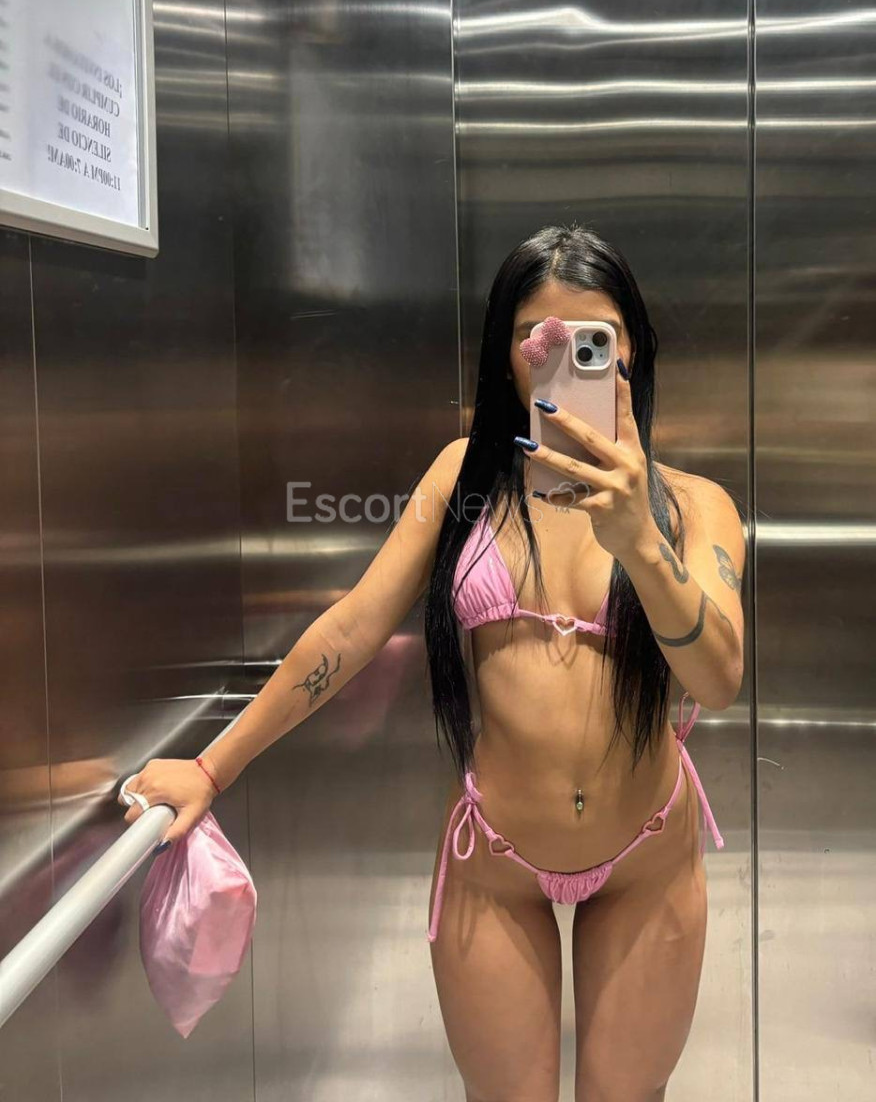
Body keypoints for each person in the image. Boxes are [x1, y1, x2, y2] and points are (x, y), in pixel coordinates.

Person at [118, 222, 745, 1102]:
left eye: (593, 339)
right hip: (495, 860)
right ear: (504, 356)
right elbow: (352, 628)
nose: (561, 359)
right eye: (537, 340)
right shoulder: (462, 480)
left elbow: (719, 678)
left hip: (649, 858)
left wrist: (640, 539)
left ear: (631, 350)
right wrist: (213, 767)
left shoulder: (693, 506)